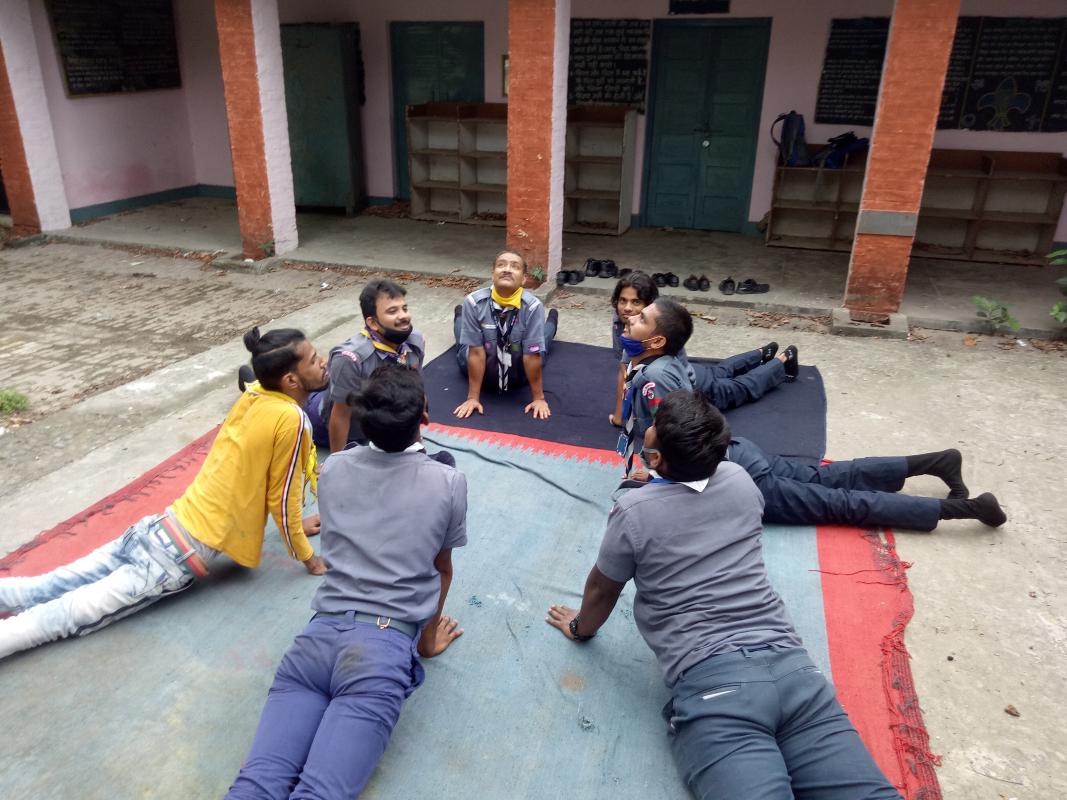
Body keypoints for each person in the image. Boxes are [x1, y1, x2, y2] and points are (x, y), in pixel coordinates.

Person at [546, 390, 903, 800]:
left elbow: (602, 589)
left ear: (657, 459)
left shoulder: (634, 511)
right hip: (796, 673)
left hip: (715, 689)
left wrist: (579, 628)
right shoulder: (739, 479)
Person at [0, 327, 327, 660]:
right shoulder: (292, 419)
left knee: (48, 584)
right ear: (290, 381)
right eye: (314, 360)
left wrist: (299, 525)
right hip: (174, 558)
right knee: (63, 618)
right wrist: (309, 558)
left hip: (158, 526)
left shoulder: (255, 396)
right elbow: (281, 496)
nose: (324, 362)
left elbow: (253, 394)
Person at [226, 364, 467, 800]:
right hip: (381, 652)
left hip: (315, 641)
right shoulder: (448, 482)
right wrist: (427, 641)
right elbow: (441, 569)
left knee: (256, 784)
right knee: (319, 793)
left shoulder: (334, 468)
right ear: (425, 418)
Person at [618, 302, 1006, 531]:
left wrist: (658, 483)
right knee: (833, 476)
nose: (629, 316)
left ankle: (969, 509)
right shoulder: (660, 362)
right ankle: (938, 462)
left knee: (842, 503)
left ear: (656, 341)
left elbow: (681, 442)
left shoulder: (653, 378)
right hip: (740, 453)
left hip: (736, 477)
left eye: (639, 318)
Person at [608, 272, 794, 425]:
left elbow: (675, 409)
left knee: (740, 388)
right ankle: (761, 353)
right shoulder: (632, 333)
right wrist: (619, 416)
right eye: (622, 301)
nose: (627, 310)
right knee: (721, 371)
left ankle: (783, 359)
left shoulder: (662, 356)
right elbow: (624, 370)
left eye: (637, 305)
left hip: (695, 387)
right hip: (695, 374)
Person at [305, 279, 426, 452]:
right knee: (296, 405)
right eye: (393, 311)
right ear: (373, 323)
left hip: (377, 424)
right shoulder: (350, 359)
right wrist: (337, 462)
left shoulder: (415, 341)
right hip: (329, 422)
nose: (404, 316)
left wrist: (417, 444)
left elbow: (416, 391)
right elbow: (340, 415)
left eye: (404, 309)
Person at [453, 250, 558, 420]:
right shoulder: (473, 302)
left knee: (542, 342)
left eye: (515, 267)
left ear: (523, 279)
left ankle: (553, 319)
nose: (507, 269)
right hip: (482, 370)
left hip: (519, 373)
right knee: (463, 342)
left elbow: (532, 356)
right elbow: (476, 352)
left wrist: (539, 398)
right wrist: (472, 398)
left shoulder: (533, 307)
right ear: (492, 274)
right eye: (501, 265)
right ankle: (459, 315)